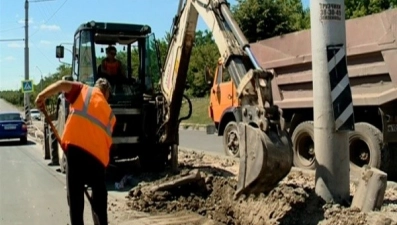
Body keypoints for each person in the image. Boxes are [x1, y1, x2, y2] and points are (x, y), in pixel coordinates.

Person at [35, 78, 116, 225]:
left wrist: (42, 96)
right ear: (107, 94)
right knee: (99, 200)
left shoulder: (84, 90)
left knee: (75, 199)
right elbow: (108, 142)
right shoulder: (111, 114)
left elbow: (61, 84)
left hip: (75, 153)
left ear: (96, 87)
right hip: (98, 160)